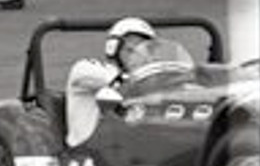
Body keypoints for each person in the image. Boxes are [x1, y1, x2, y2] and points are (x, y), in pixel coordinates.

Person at [65, 18, 194, 147]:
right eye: (131, 50)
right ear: (113, 49)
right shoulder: (85, 68)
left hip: (126, 150)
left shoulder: (146, 81)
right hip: (84, 155)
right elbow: (121, 82)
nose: (139, 57)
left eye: (145, 52)